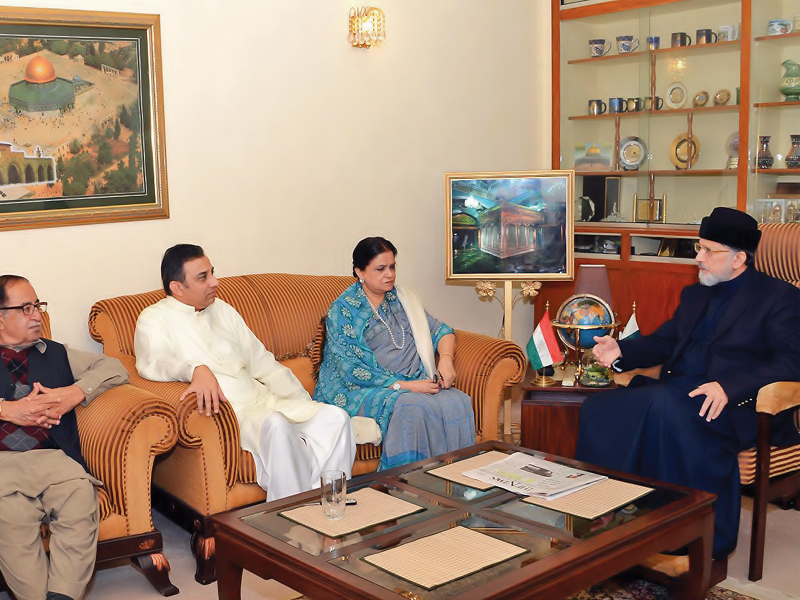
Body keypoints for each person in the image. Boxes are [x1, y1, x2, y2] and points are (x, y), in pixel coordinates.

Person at [576, 207, 800, 560]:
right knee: (597, 408)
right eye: (699, 247)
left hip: (739, 404)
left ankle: (694, 536)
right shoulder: (696, 294)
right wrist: (621, 349)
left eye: (710, 250)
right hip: (679, 391)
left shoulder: (780, 297)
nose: (699, 258)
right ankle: (609, 516)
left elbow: (792, 361)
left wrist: (730, 387)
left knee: (663, 407)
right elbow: (665, 341)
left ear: (740, 258)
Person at [134, 244, 355, 501]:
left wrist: (301, 400)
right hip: (236, 415)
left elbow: (263, 363)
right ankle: (292, 513)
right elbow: (153, 361)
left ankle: (332, 501)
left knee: (336, 418)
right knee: (276, 425)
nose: (215, 282)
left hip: (267, 401)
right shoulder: (154, 318)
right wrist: (194, 369)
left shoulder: (223, 310)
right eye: (203, 277)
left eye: (212, 272)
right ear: (177, 287)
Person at [0, 275, 129, 600]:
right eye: (25, 308)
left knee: (80, 499)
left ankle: (63, 596)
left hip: (56, 459)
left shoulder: (58, 353)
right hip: (3, 469)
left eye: (38, 306)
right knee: (11, 523)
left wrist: (76, 392)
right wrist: (6, 410)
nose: (37, 315)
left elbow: (115, 367)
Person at [314, 237, 476, 470]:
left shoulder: (401, 299)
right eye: (380, 269)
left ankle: (453, 480)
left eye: (392, 267)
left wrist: (447, 361)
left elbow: (441, 331)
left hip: (412, 381)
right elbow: (350, 370)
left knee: (457, 400)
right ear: (360, 271)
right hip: (359, 388)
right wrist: (406, 386)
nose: (389, 274)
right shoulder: (344, 310)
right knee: (413, 407)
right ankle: (405, 487)